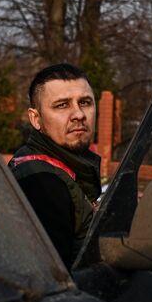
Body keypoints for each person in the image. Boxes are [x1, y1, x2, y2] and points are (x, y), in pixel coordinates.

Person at [9, 63, 102, 265]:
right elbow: (54, 279)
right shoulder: (41, 183)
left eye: (85, 102)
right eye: (62, 105)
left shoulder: (68, 168)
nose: (78, 114)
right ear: (36, 119)